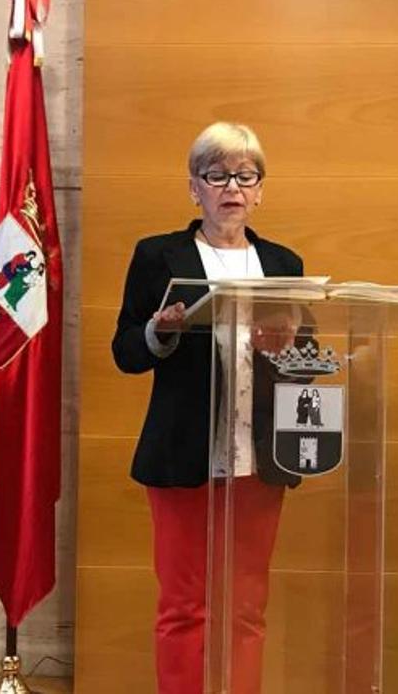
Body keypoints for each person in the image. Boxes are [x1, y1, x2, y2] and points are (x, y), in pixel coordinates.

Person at [112, 122, 303, 694]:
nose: (232, 188)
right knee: (183, 606)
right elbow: (125, 351)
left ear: (260, 189)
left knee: (246, 608)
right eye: (216, 175)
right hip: (182, 457)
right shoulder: (158, 255)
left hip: (258, 458)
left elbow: (305, 356)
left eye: (245, 176)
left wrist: (290, 351)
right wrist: (157, 331)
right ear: (194, 187)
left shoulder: (284, 263)